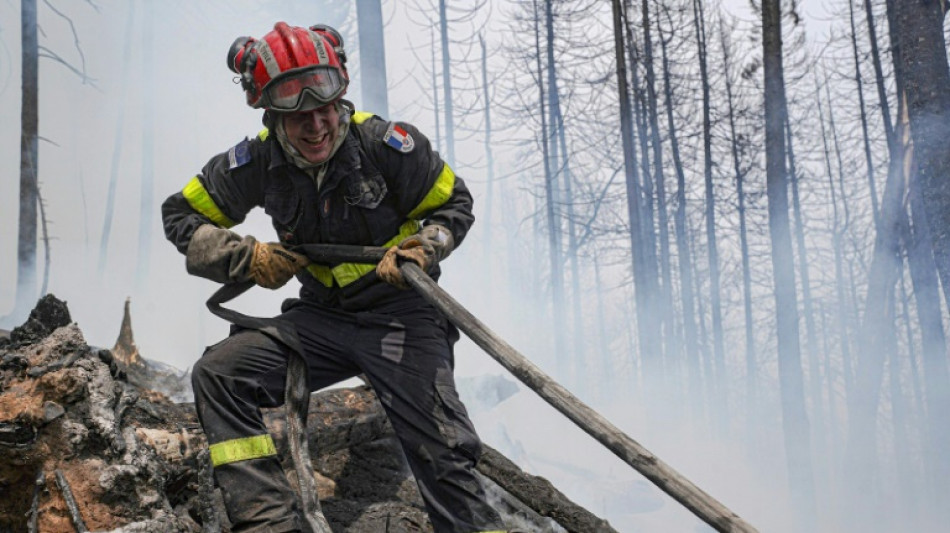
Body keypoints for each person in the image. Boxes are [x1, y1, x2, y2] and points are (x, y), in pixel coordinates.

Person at [162, 22, 509, 533]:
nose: (317, 125)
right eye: (299, 115)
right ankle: (272, 524)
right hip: (321, 317)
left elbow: (452, 205)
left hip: (400, 319)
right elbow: (180, 216)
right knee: (219, 373)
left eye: (325, 108)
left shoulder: (387, 145)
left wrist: (421, 248)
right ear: (270, 114)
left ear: (340, 94)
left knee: (443, 452)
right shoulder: (256, 161)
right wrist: (247, 257)